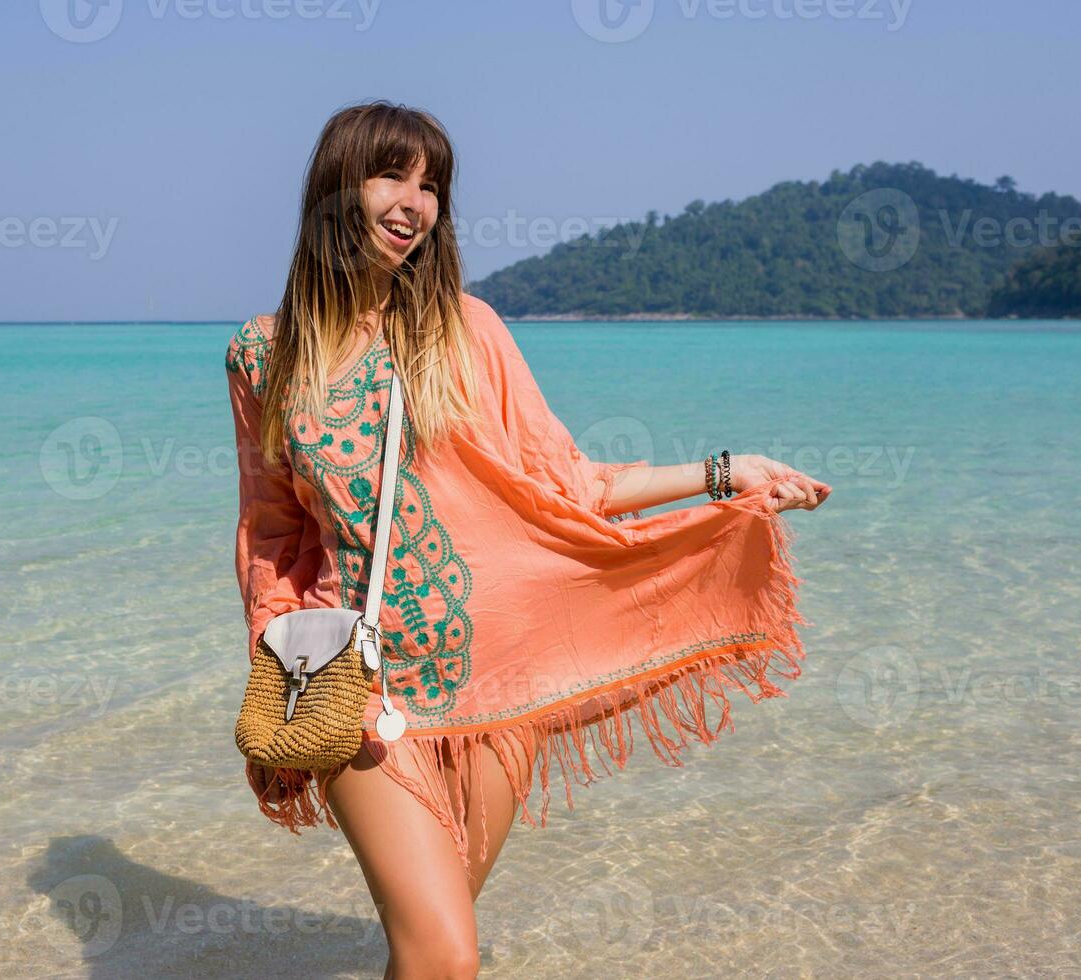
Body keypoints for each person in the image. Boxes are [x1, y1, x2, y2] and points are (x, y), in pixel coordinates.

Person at [224, 100, 830, 978]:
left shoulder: (466, 332)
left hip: (502, 685)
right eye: (394, 175)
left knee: (433, 947)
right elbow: (272, 534)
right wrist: (279, 656)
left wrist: (724, 474)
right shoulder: (264, 354)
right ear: (336, 186)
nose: (415, 203)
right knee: (445, 953)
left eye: (432, 186)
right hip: (362, 689)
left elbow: (569, 484)